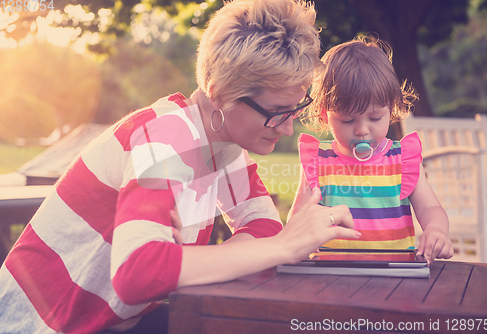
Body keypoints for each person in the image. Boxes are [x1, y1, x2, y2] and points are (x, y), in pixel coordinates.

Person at [0, 1, 361, 333]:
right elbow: (138, 272)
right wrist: (286, 247)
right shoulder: (167, 136)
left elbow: (263, 226)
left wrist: (181, 261)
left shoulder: (226, 147)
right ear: (220, 93)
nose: (286, 129)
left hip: (111, 322)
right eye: (276, 113)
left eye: (294, 111)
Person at [289, 35, 454, 264]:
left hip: (394, 275)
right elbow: (298, 217)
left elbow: (430, 208)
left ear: (391, 108)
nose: (362, 130)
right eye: (347, 120)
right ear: (324, 114)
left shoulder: (402, 160)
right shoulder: (318, 162)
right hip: (330, 275)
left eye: (375, 117)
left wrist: (436, 231)